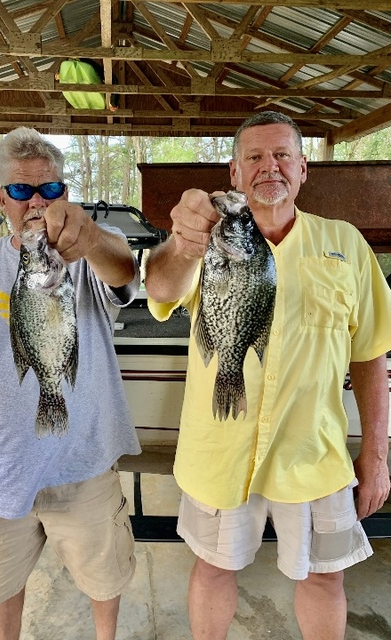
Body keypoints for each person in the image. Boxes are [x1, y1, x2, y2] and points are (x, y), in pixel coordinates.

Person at [144, 110, 391, 640]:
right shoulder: (207, 243)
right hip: (219, 450)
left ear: (303, 169)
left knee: (325, 578)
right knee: (213, 568)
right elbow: (161, 290)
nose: (268, 167)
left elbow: (370, 353)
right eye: (253, 157)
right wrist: (184, 243)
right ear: (234, 174)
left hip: (314, 454)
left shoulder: (346, 245)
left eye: (281, 155)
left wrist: (375, 453)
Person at [0, 127, 141, 640]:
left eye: (50, 189)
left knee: (104, 580)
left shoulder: (87, 255)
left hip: (83, 463)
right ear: (2, 199)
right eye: (21, 190)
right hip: (2, 469)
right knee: (0, 584)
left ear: (66, 193)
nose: (36, 201)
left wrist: (92, 237)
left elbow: (124, 270)